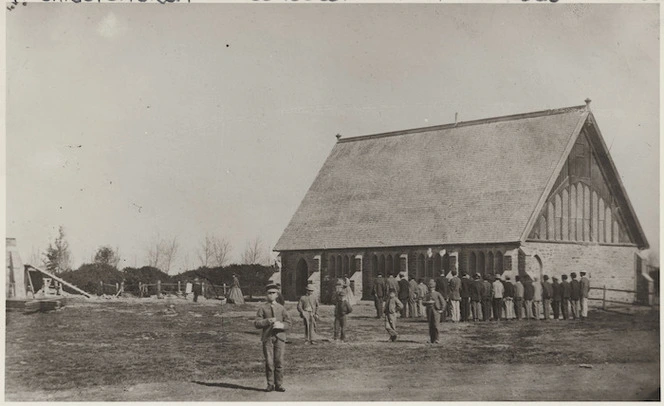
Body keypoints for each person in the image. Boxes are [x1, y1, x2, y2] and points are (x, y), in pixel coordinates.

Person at [254, 283, 293, 392]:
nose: (271, 295)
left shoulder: (281, 308)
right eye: (269, 293)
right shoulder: (262, 308)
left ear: (277, 295)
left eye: (273, 293)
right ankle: (270, 384)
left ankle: (279, 384)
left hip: (280, 338)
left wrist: (281, 325)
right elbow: (256, 323)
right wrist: (267, 321)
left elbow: (289, 323)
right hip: (267, 338)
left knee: (279, 361)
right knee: (269, 362)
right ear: (266, 295)